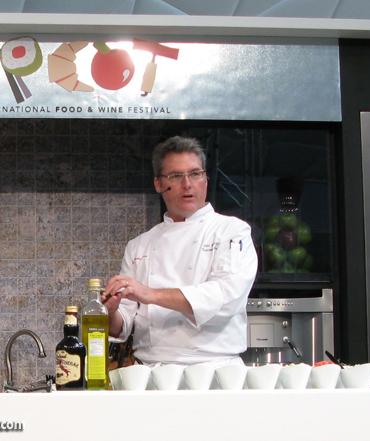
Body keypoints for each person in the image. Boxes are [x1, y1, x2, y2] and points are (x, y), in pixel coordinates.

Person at [102, 136, 257, 367]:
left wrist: (149, 294)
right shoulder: (139, 246)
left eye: (195, 174)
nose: (187, 184)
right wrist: (110, 311)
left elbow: (225, 296)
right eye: (175, 176)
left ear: (205, 179)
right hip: (151, 374)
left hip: (215, 372)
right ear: (158, 184)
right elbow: (122, 325)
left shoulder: (232, 232)